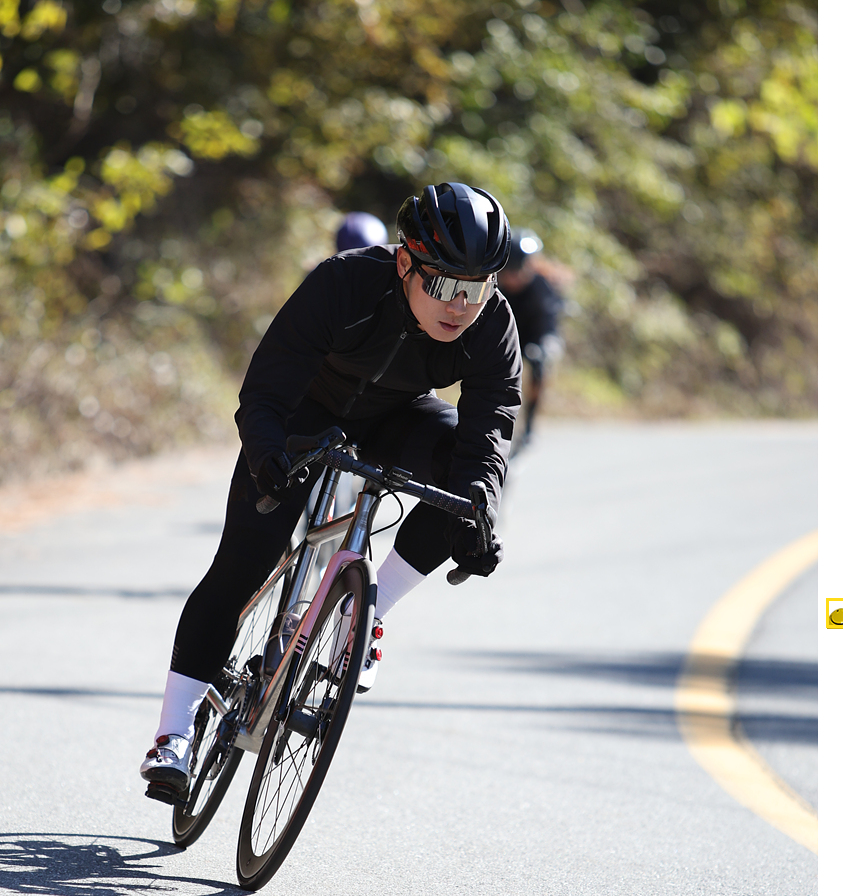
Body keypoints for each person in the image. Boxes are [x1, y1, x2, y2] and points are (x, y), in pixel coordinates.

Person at [141, 182, 520, 796]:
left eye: (476, 289)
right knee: (241, 565)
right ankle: (173, 736)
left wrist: (480, 510)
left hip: (397, 416)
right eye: (445, 286)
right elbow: (266, 390)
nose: (460, 306)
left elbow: (490, 428)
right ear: (406, 263)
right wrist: (267, 455)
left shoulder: (492, 323)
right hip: (305, 411)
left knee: (464, 496)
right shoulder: (344, 282)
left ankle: (362, 613)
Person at [496, 230, 563, 446]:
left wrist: (544, 346)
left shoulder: (541, 288)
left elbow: (549, 325)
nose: (514, 277)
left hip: (535, 337)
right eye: (509, 271)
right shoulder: (494, 286)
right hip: (505, 335)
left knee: (539, 364)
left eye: (519, 270)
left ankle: (530, 423)